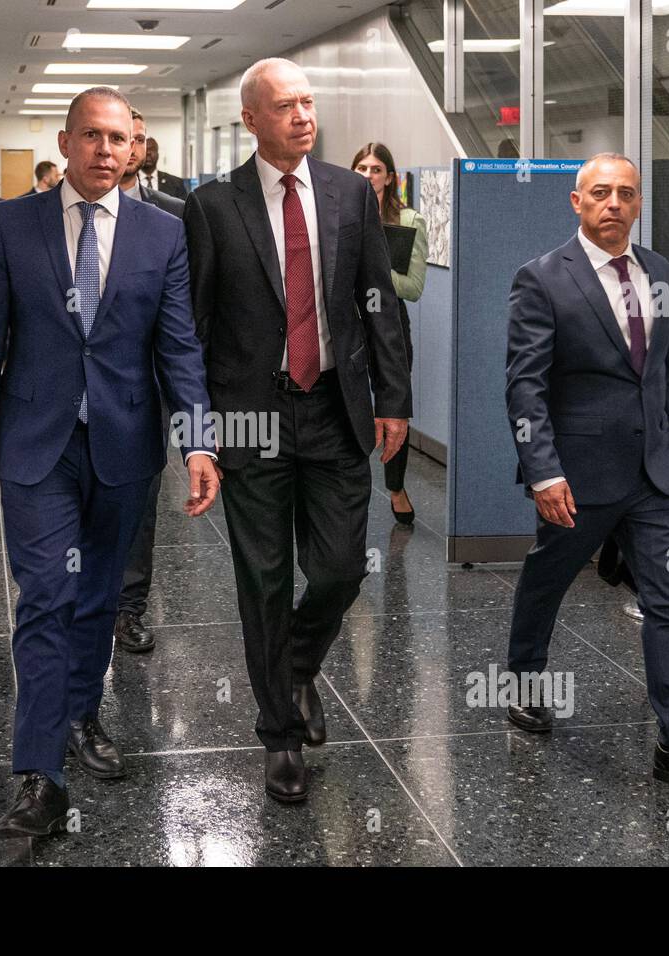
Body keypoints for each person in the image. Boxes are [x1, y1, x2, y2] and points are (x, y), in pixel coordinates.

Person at [0, 87, 219, 838]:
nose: (107, 151)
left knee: (98, 598)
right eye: (92, 136)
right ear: (66, 142)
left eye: (121, 139)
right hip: (35, 446)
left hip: (125, 444)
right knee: (44, 599)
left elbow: (178, 347)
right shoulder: (11, 223)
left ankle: (80, 714)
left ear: (135, 149)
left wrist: (198, 439)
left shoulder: (161, 235)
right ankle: (39, 774)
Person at [184, 58, 411, 804]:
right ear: (251, 119)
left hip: (335, 409)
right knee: (264, 580)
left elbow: (380, 301)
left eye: (309, 103)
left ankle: (300, 665)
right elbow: (195, 323)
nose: (303, 117)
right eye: (286, 107)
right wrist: (199, 429)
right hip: (251, 413)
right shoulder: (215, 206)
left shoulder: (350, 193)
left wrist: (394, 396)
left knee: (343, 567)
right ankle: (280, 734)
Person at [504, 151, 669, 793]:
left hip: (658, 477)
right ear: (577, 202)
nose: (613, 203)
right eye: (600, 193)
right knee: (548, 577)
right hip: (579, 476)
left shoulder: (660, 271)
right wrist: (543, 473)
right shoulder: (541, 279)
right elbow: (525, 388)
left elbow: (666, 374)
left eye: (625, 193)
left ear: (638, 203)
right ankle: (524, 678)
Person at [114, 107, 185, 654]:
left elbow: (186, 321)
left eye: (136, 139)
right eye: (118, 137)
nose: (129, 148)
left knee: (141, 501)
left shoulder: (174, 217)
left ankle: (130, 605)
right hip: (79, 388)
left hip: (148, 389)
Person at [352, 142, 428, 525]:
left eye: (376, 169)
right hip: (347, 319)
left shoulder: (408, 220)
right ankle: (348, 483)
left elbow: (413, 287)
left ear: (390, 177)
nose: (368, 175)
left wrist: (373, 273)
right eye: (361, 168)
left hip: (390, 321)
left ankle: (396, 487)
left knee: (394, 404)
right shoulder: (339, 216)